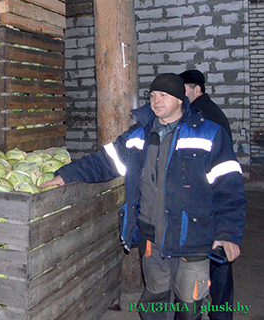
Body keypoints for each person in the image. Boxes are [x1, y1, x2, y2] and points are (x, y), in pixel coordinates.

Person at [40, 73, 246, 320]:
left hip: (193, 238)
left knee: (190, 303)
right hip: (152, 237)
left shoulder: (209, 134)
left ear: (181, 99)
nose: (156, 101)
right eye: (152, 95)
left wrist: (227, 234)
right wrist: (65, 175)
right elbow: (103, 161)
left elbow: (229, 189)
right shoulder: (138, 136)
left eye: (164, 95)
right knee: (154, 297)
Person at [179, 69, 234, 320]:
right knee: (217, 264)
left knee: (215, 264)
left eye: (184, 89)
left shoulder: (202, 115)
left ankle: (218, 314)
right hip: (212, 201)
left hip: (209, 202)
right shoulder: (210, 109)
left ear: (197, 90)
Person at [180, 69, 232, 141]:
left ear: (197, 90)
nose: (179, 94)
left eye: (183, 89)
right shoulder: (206, 107)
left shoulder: (198, 112)